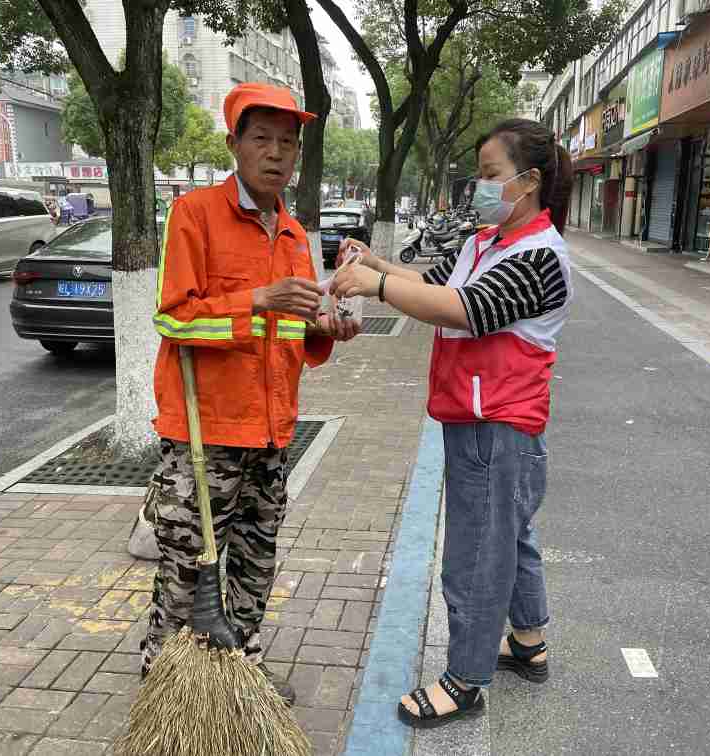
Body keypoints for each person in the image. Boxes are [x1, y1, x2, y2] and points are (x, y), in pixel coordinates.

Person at [331, 118, 574, 728]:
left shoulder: (539, 256)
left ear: (529, 181)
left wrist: (376, 285)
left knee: (477, 551)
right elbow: (431, 282)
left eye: (492, 175)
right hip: (479, 414)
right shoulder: (486, 242)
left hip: (498, 423)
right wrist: (376, 262)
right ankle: (528, 642)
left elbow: (464, 308)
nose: (480, 186)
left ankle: (465, 679)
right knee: (511, 534)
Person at [142, 82, 360, 706]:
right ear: (233, 144)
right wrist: (257, 300)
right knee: (188, 567)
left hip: (271, 433)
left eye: (288, 142)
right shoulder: (196, 214)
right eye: (261, 138)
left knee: (254, 566)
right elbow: (174, 319)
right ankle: (166, 686)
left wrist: (325, 328)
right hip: (205, 434)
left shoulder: (293, 233)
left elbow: (292, 336)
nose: (276, 152)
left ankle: (241, 675)